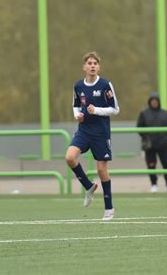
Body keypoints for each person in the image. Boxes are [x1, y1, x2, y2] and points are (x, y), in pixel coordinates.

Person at [65, 51, 120, 221]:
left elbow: (115, 109)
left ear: (99, 66)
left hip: (101, 133)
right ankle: (88, 187)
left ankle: (109, 209)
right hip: (84, 131)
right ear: (84, 67)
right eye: (89, 63)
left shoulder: (105, 85)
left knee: (101, 170)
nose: (92, 66)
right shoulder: (78, 86)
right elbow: (75, 106)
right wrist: (77, 115)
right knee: (70, 158)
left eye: (95, 63)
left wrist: (96, 110)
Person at [137, 92, 167, 193]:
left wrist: (166, 138)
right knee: (151, 166)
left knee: (166, 165)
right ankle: (154, 184)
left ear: (158, 102)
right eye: (152, 101)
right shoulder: (144, 113)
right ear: (150, 102)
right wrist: (146, 139)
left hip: (163, 145)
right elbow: (139, 128)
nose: (154, 103)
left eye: (156, 101)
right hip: (150, 146)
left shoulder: (165, 113)